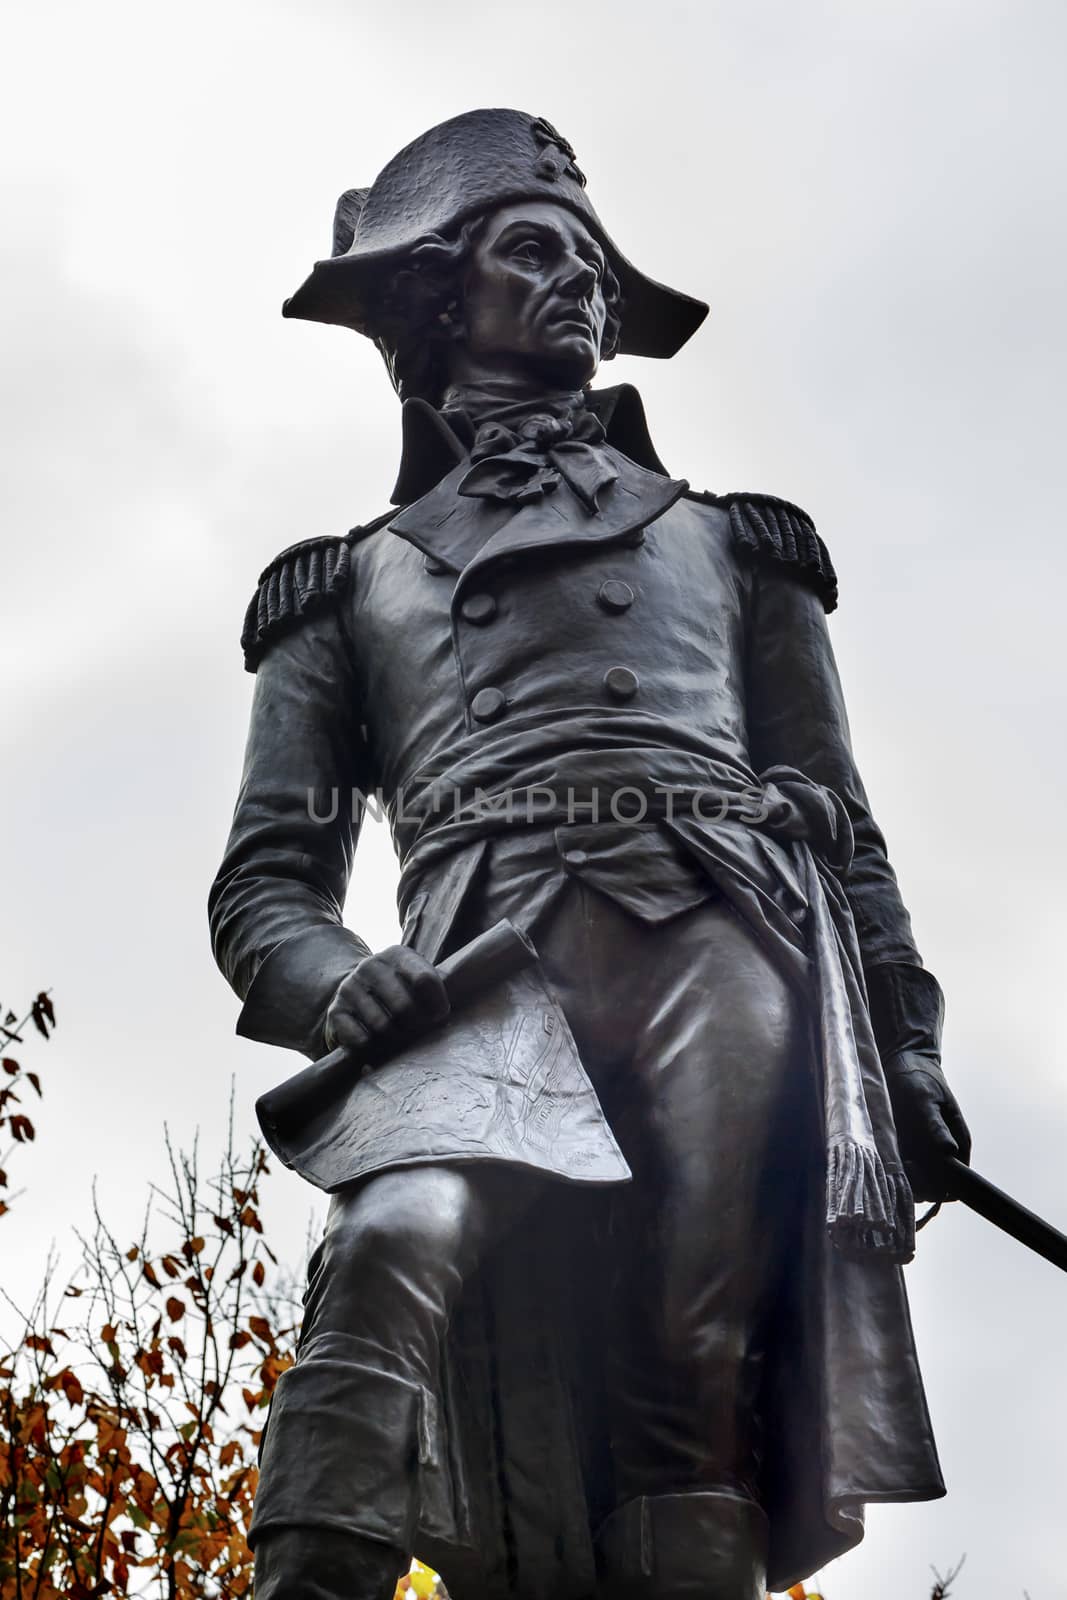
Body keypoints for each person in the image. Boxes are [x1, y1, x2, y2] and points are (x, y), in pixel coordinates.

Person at [209, 108, 971, 1600]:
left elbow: (846, 828)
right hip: (478, 969)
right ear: (442, 297)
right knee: (389, 1246)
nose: (583, 287)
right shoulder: (341, 585)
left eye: (593, 265)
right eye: (535, 253)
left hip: (718, 939)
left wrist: (911, 1044)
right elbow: (264, 888)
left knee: (690, 1366)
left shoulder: (737, 545)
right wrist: (334, 982)